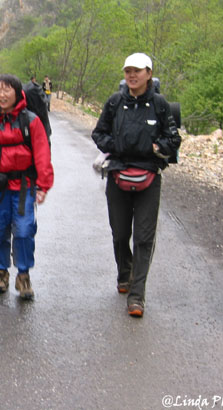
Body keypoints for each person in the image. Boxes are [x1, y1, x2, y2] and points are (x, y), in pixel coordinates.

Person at [91, 52, 181, 317]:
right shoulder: (115, 102)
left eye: (137, 71)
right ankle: (124, 272)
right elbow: (99, 133)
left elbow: (173, 139)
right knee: (120, 234)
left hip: (149, 176)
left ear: (148, 74)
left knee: (144, 237)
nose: (132, 75)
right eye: (128, 70)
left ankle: (137, 295)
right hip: (118, 174)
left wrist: (155, 147)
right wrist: (118, 146)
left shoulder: (160, 105)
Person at [0, 74, 54, 300]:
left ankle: (23, 275)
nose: (2, 95)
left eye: (7, 90)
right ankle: (1, 272)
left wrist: (43, 185)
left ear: (17, 93)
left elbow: (42, 154)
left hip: (24, 186)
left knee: (24, 230)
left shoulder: (31, 121)